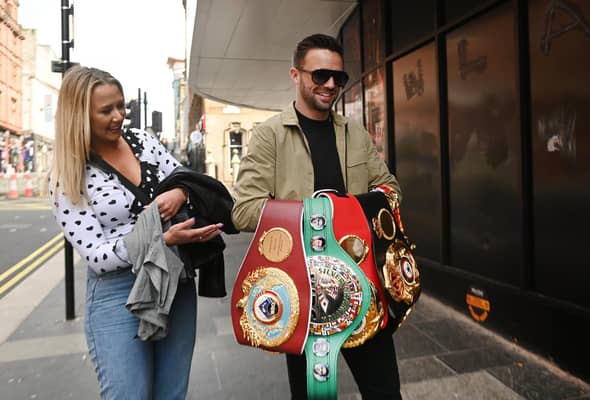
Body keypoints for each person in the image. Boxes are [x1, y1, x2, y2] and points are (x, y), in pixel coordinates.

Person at [232, 34, 402, 399]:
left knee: (385, 393)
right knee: (313, 395)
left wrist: (351, 209)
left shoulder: (353, 132)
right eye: (320, 75)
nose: (330, 85)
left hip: (364, 283)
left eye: (338, 78)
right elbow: (244, 210)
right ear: (296, 73)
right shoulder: (269, 136)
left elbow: (389, 188)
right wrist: (319, 214)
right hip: (302, 291)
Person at [49, 66, 223, 399]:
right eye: (106, 110)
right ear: (79, 115)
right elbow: (98, 256)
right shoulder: (68, 175)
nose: (118, 116)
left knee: (171, 394)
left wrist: (180, 192)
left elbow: (184, 178)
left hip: (174, 280)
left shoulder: (143, 141)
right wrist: (160, 240)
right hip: (119, 292)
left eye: (121, 106)